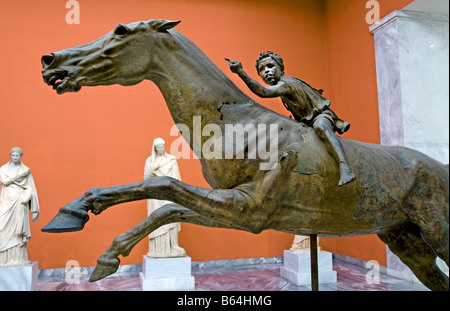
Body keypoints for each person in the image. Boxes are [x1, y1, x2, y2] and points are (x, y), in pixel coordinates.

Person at [226, 51, 356, 186]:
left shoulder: (286, 84)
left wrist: (241, 72)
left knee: (321, 127)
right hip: (305, 122)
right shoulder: (283, 88)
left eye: (270, 66)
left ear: (281, 69)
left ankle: (345, 166)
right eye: (262, 70)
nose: (266, 71)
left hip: (319, 116)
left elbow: (263, 92)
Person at [144, 138, 186, 257]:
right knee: (158, 219)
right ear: (155, 148)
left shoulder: (171, 160)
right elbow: (146, 178)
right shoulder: (150, 161)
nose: (161, 149)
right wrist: (154, 169)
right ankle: (158, 249)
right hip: (155, 195)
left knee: (171, 218)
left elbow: (177, 178)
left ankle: (173, 246)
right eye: (159, 147)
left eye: (163, 146)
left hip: (169, 193)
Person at [0, 147, 39, 266]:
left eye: (17, 156)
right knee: (2, 226)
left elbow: (30, 188)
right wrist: (20, 176)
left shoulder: (26, 170)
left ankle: (18, 258)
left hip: (20, 201)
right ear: (10, 156)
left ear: (20, 156)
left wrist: (26, 197)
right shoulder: (4, 169)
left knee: (18, 229)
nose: (15, 158)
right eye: (13, 155)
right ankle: (4, 258)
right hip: (7, 199)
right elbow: (5, 182)